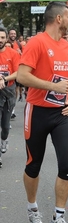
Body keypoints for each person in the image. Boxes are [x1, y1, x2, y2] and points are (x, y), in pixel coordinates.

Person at [17, 1, 68, 223]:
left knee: (67, 166)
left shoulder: (66, 45)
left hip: (61, 113)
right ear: (59, 19)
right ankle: (32, 209)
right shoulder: (37, 42)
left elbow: (67, 77)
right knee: (34, 164)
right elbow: (22, 76)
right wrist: (53, 86)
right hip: (37, 111)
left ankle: (58, 217)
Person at [0, 27, 19, 167]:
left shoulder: (12, 53)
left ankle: (4, 139)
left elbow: (18, 72)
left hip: (8, 92)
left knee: (5, 127)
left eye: (2, 38)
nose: (0, 40)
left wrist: (4, 78)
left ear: (6, 39)